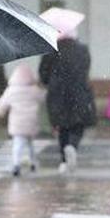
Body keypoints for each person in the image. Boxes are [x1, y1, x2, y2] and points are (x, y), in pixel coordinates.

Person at [39, 34, 97, 174]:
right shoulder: (83, 49)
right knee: (78, 124)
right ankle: (73, 145)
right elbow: (86, 69)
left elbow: (43, 74)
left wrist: (52, 82)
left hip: (58, 93)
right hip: (79, 91)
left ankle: (64, 161)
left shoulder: (51, 50)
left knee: (62, 126)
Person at [0, 64, 46, 177]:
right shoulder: (34, 90)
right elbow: (43, 98)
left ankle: (16, 164)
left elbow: (2, 104)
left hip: (17, 123)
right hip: (31, 122)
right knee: (30, 144)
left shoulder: (11, 91)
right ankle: (33, 162)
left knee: (17, 144)